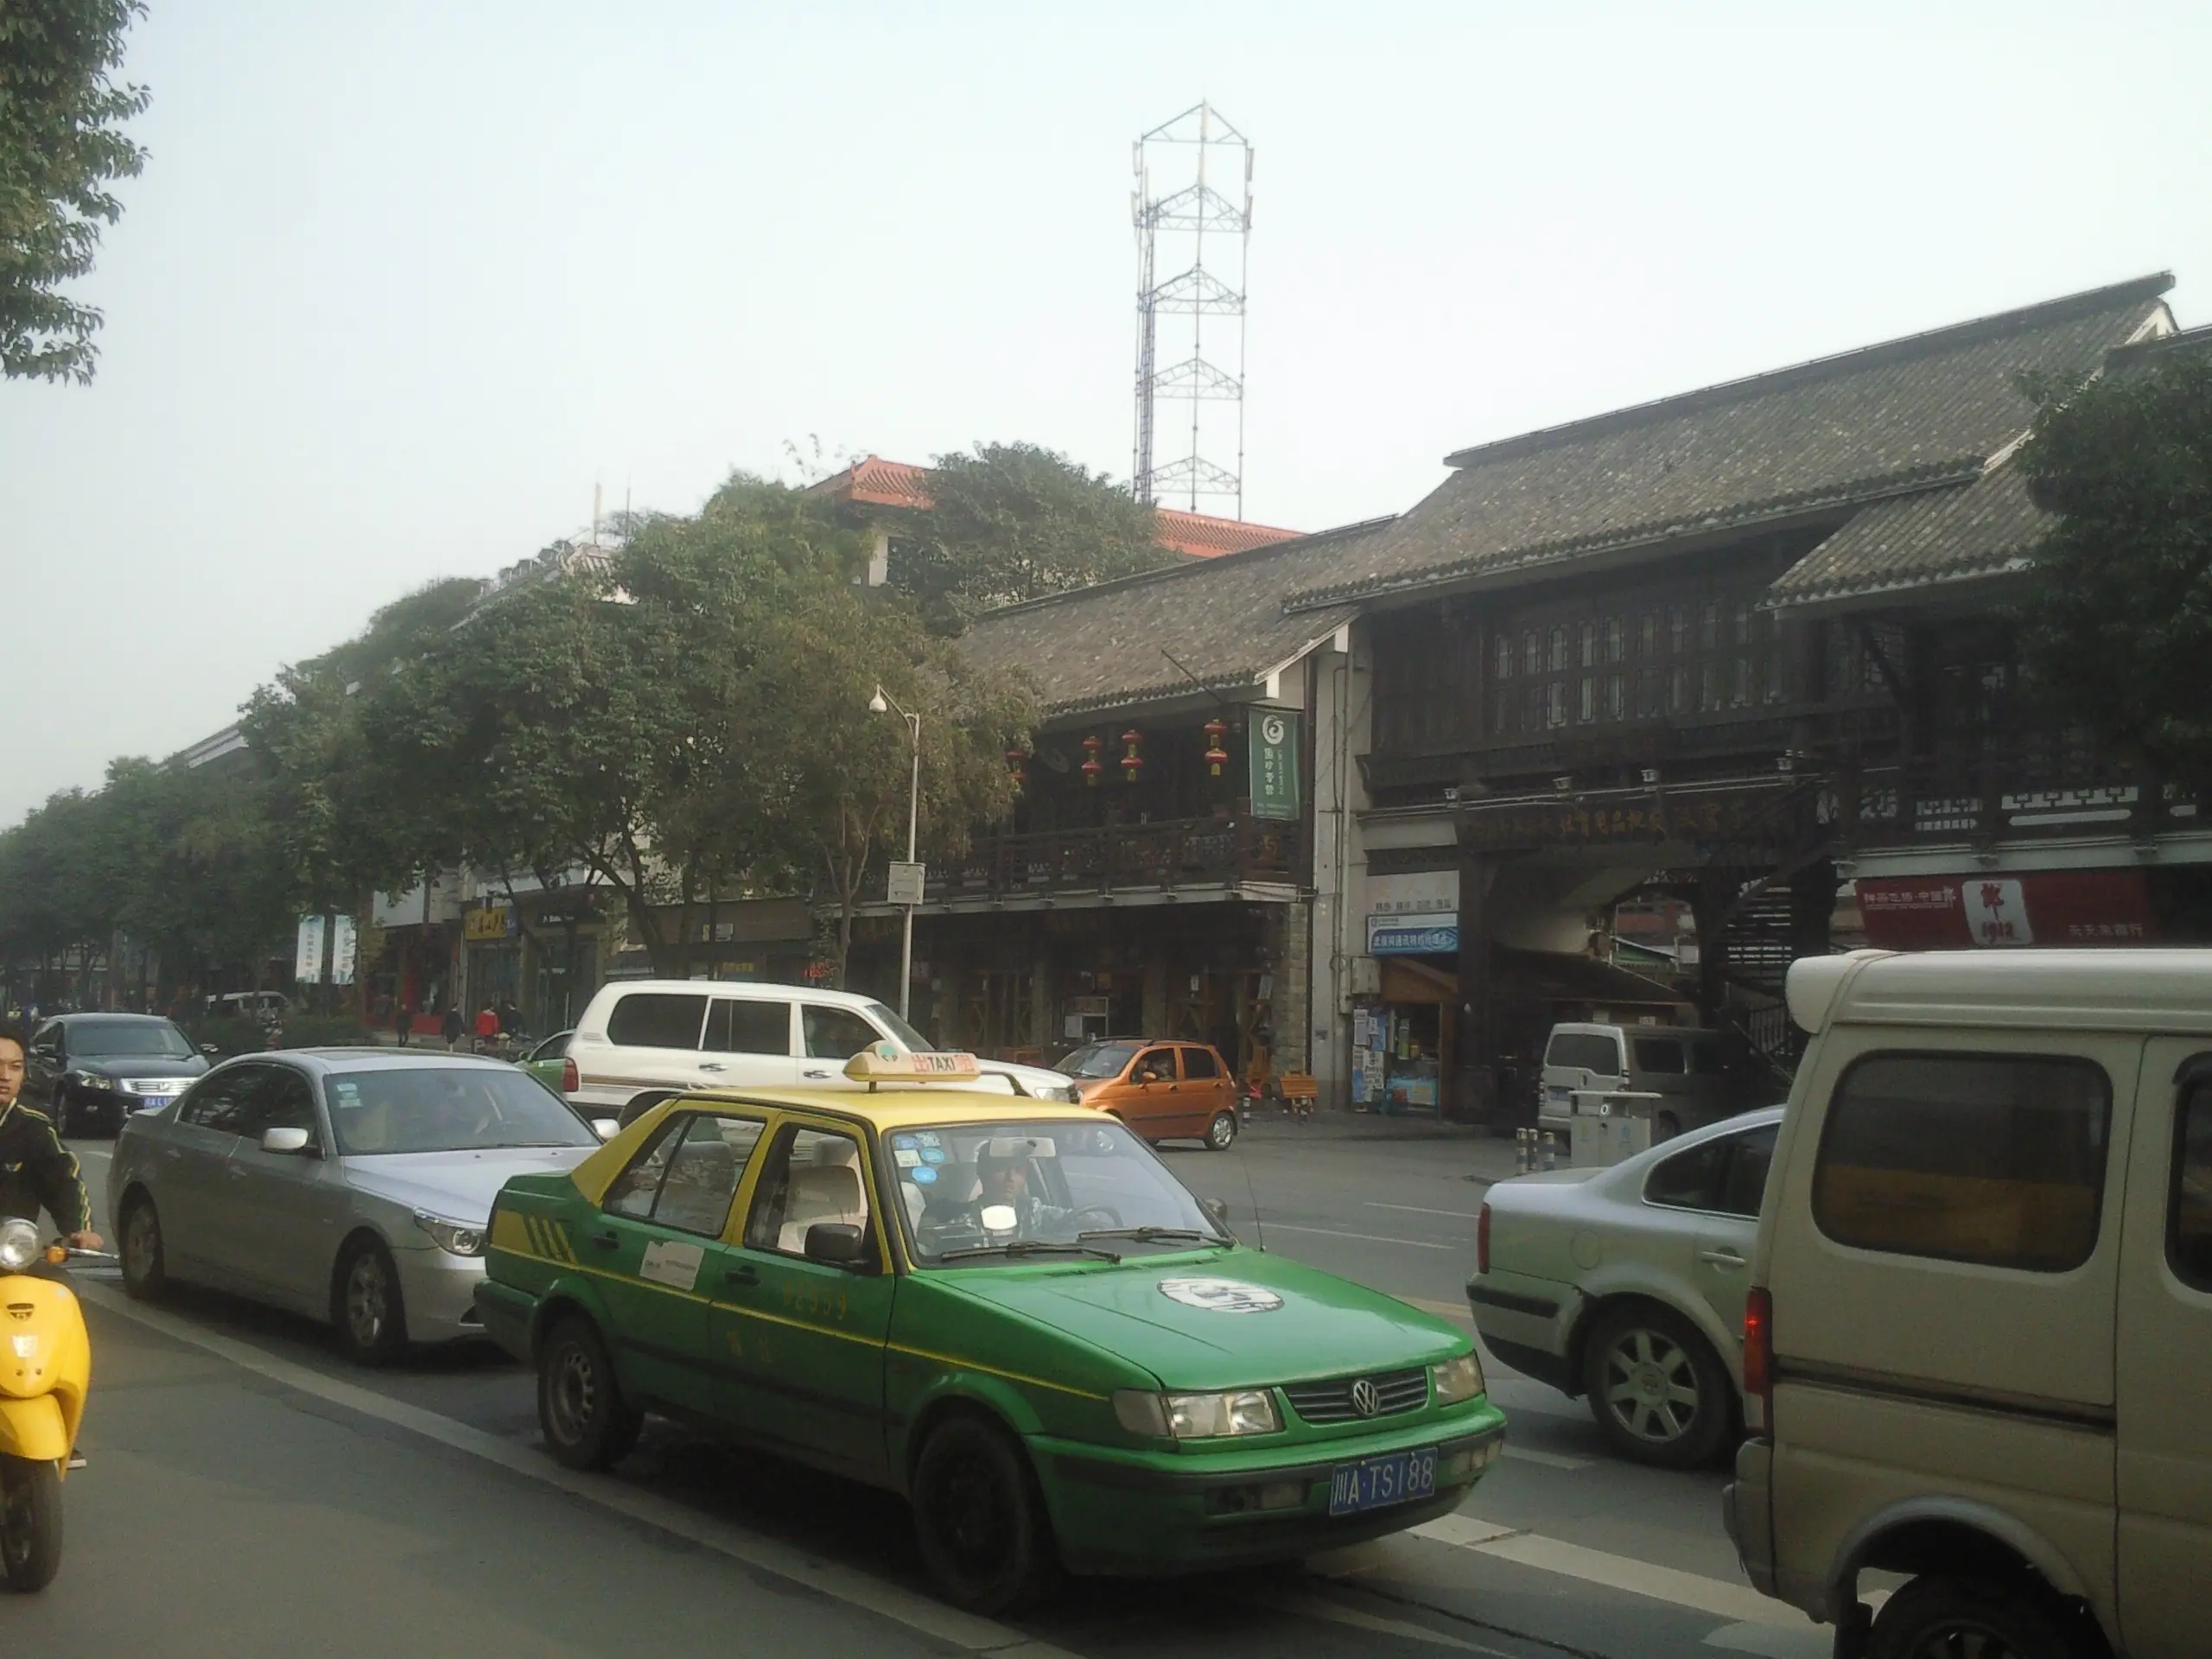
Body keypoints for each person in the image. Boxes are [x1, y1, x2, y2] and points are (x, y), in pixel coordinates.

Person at [0, 1024, 101, 1470]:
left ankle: (61, 1414)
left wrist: (78, 1229)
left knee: (65, 1295)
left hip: (15, 1258)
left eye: (15, 1066)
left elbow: (64, 1181)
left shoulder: (34, 1129)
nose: (5, 1075)